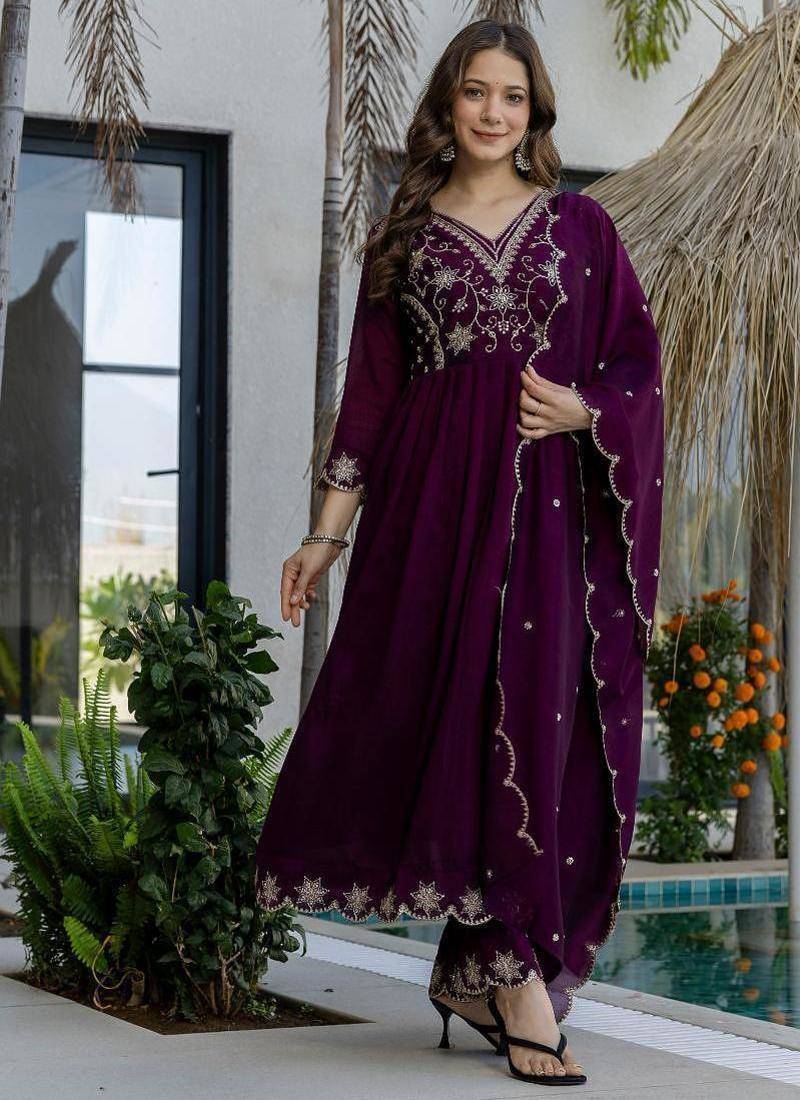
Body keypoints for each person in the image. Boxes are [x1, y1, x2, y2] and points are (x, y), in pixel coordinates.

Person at [255, 17, 663, 1087]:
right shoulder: (403, 235)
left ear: (534, 113)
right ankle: (504, 980)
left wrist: (585, 408)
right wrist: (324, 536)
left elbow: (638, 363)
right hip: (429, 516)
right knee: (449, 720)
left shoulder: (579, 227)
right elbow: (368, 401)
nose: (493, 112)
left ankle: (486, 967)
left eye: (512, 97)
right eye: (476, 92)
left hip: (546, 516)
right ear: (449, 102)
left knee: (529, 721)